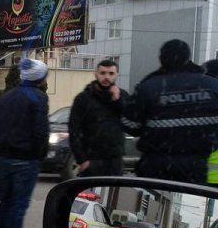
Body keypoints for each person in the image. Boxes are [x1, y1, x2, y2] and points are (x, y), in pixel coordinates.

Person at [122, 39, 218, 184]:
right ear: (187, 57)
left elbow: (130, 125)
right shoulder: (212, 86)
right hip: (196, 168)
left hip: (154, 168)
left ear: (162, 59)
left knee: (153, 199)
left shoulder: (149, 87)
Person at [0, 58, 50, 228]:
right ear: (41, 78)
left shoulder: (7, 96)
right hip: (26, 160)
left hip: (5, 158)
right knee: (19, 205)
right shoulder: (38, 98)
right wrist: (39, 154)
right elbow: (41, 132)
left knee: (5, 201)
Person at [68, 59, 127, 176]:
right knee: (90, 193)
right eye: (103, 73)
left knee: (113, 193)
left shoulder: (122, 96)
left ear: (116, 75)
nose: (107, 77)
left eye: (111, 73)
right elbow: (73, 130)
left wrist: (118, 101)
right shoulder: (83, 98)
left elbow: (131, 121)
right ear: (96, 74)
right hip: (91, 159)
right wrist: (82, 160)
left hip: (115, 160)